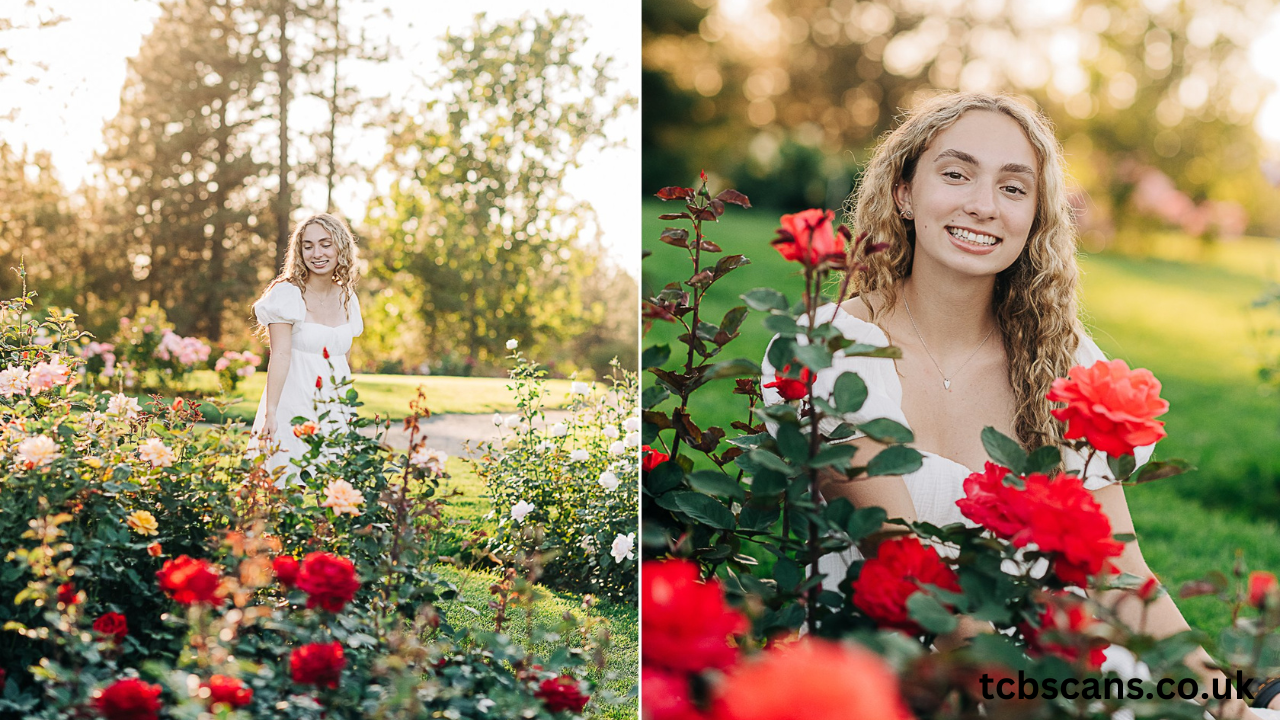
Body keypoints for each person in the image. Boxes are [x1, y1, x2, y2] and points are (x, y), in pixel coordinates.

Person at [761, 92, 1277, 717]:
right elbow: (909, 570)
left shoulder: (1061, 360)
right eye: (956, 174)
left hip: (1051, 665)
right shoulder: (832, 349)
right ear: (904, 192)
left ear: (1035, 215)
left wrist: (1226, 703)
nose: (983, 205)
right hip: (895, 673)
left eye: (1013, 188)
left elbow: (1117, 571)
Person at [249, 212, 363, 478]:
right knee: (287, 486)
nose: (316, 253)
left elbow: (342, 361)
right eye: (308, 245)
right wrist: (272, 412)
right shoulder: (286, 293)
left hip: (335, 405)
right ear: (299, 251)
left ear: (340, 248)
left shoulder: (347, 297)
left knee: (335, 488)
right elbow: (279, 355)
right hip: (293, 400)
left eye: (325, 244)